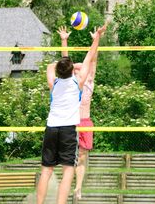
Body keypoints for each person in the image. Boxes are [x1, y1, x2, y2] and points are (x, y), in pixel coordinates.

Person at [36, 24, 106, 204]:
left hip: (51, 128)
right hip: (67, 130)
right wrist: (97, 36)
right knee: (68, 170)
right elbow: (90, 57)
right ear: (72, 70)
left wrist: (64, 39)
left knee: (46, 170)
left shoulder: (54, 83)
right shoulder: (78, 83)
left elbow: (57, 64)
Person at [57, 26, 99, 200]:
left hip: (85, 122)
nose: (77, 70)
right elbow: (65, 61)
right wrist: (64, 40)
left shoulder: (89, 80)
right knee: (69, 159)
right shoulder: (72, 82)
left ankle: (78, 188)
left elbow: (93, 59)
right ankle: (67, 186)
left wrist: (97, 39)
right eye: (75, 70)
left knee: (82, 157)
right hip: (72, 123)